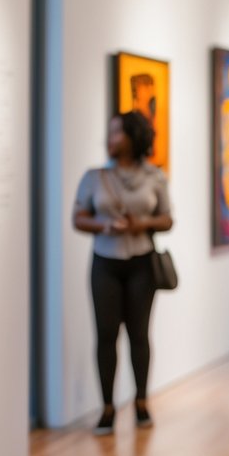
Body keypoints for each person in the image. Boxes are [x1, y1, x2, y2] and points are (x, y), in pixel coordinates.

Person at [72, 111, 173, 434]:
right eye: (110, 132)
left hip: (141, 262)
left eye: (117, 133)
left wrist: (140, 224)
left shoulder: (155, 176)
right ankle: (107, 408)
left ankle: (141, 402)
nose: (110, 138)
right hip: (105, 261)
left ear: (133, 137)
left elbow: (167, 219)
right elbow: (78, 218)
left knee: (139, 335)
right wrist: (104, 226)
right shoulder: (94, 176)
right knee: (105, 335)